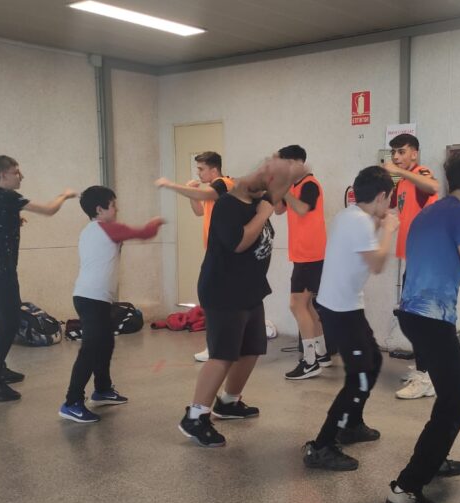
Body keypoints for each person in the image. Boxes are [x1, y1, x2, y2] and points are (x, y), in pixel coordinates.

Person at [387, 150, 460, 503]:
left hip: (413, 315)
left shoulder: (430, 211)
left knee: (457, 384)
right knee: (455, 401)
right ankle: (406, 488)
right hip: (431, 319)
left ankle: (436, 457)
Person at [177, 157, 300, 447]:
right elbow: (239, 242)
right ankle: (195, 417)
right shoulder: (228, 205)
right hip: (224, 289)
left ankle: (228, 402)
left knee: (252, 348)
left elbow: (285, 203)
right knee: (222, 355)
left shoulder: (258, 200)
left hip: (250, 288)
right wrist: (264, 212)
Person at [302, 166, 398, 470]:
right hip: (340, 311)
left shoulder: (349, 215)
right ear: (381, 196)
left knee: (373, 361)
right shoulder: (358, 223)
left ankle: (351, 424)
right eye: (389, 199)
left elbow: (364, 241)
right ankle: (322, 445)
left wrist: (379, 223)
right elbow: (377, 264)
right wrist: (389, 230)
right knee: (358, 377)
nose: (389, 206)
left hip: (345, 307)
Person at [0, 155, 77, 402]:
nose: (21, 176)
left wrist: (9, 221)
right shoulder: (9, 197)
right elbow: (49, 210)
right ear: (3, 175)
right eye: (16, 172)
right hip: (2, 269)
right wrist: (64, 195)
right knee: (10, 322)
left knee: (0, 320)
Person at [59, 186, 164, 423]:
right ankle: (72, 402)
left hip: (94, 297)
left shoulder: (88, 230)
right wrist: (158, 221)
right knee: (90, 349)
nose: (117, 209)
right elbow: (145, 232)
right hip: (91, 298)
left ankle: (103, 390)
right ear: (100, 209)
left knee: (105, 343)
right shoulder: (107, 228)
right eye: (113, 205)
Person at [154, 151, 234, 363]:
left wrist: (171, 185)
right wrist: (192, 194)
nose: (198, 173)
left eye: (201, 169)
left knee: (213, 300)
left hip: (224, 254)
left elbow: (205, 196)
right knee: (214, 300)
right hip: (215, 251)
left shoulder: (224, 184)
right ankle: (218, 345)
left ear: (214, 169)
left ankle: (216, 347)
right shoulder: (212, 191)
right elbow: (199, 211)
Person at [384, 134, 440, 400]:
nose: (396, 157)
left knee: (420, 320)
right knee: (413, 318)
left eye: (402, 152)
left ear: (414, 154)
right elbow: (392, 206)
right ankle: (424, 370)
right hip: (414, 258)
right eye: (394, 152)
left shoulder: (421, 173)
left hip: (426, 259)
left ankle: (428, 378)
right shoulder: (404, 182)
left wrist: (398, 172)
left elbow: (432, 186)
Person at [274, 145, 330, 380]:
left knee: (297, 305)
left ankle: (309, 362)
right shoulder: (294, 185)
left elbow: (303, 209)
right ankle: (322, 354)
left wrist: (284, 189)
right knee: (306, 306)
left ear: (299, 163)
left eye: (288, 164)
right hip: (302, 255)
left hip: (311, 255)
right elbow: (279, 210)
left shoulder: (309, 184)